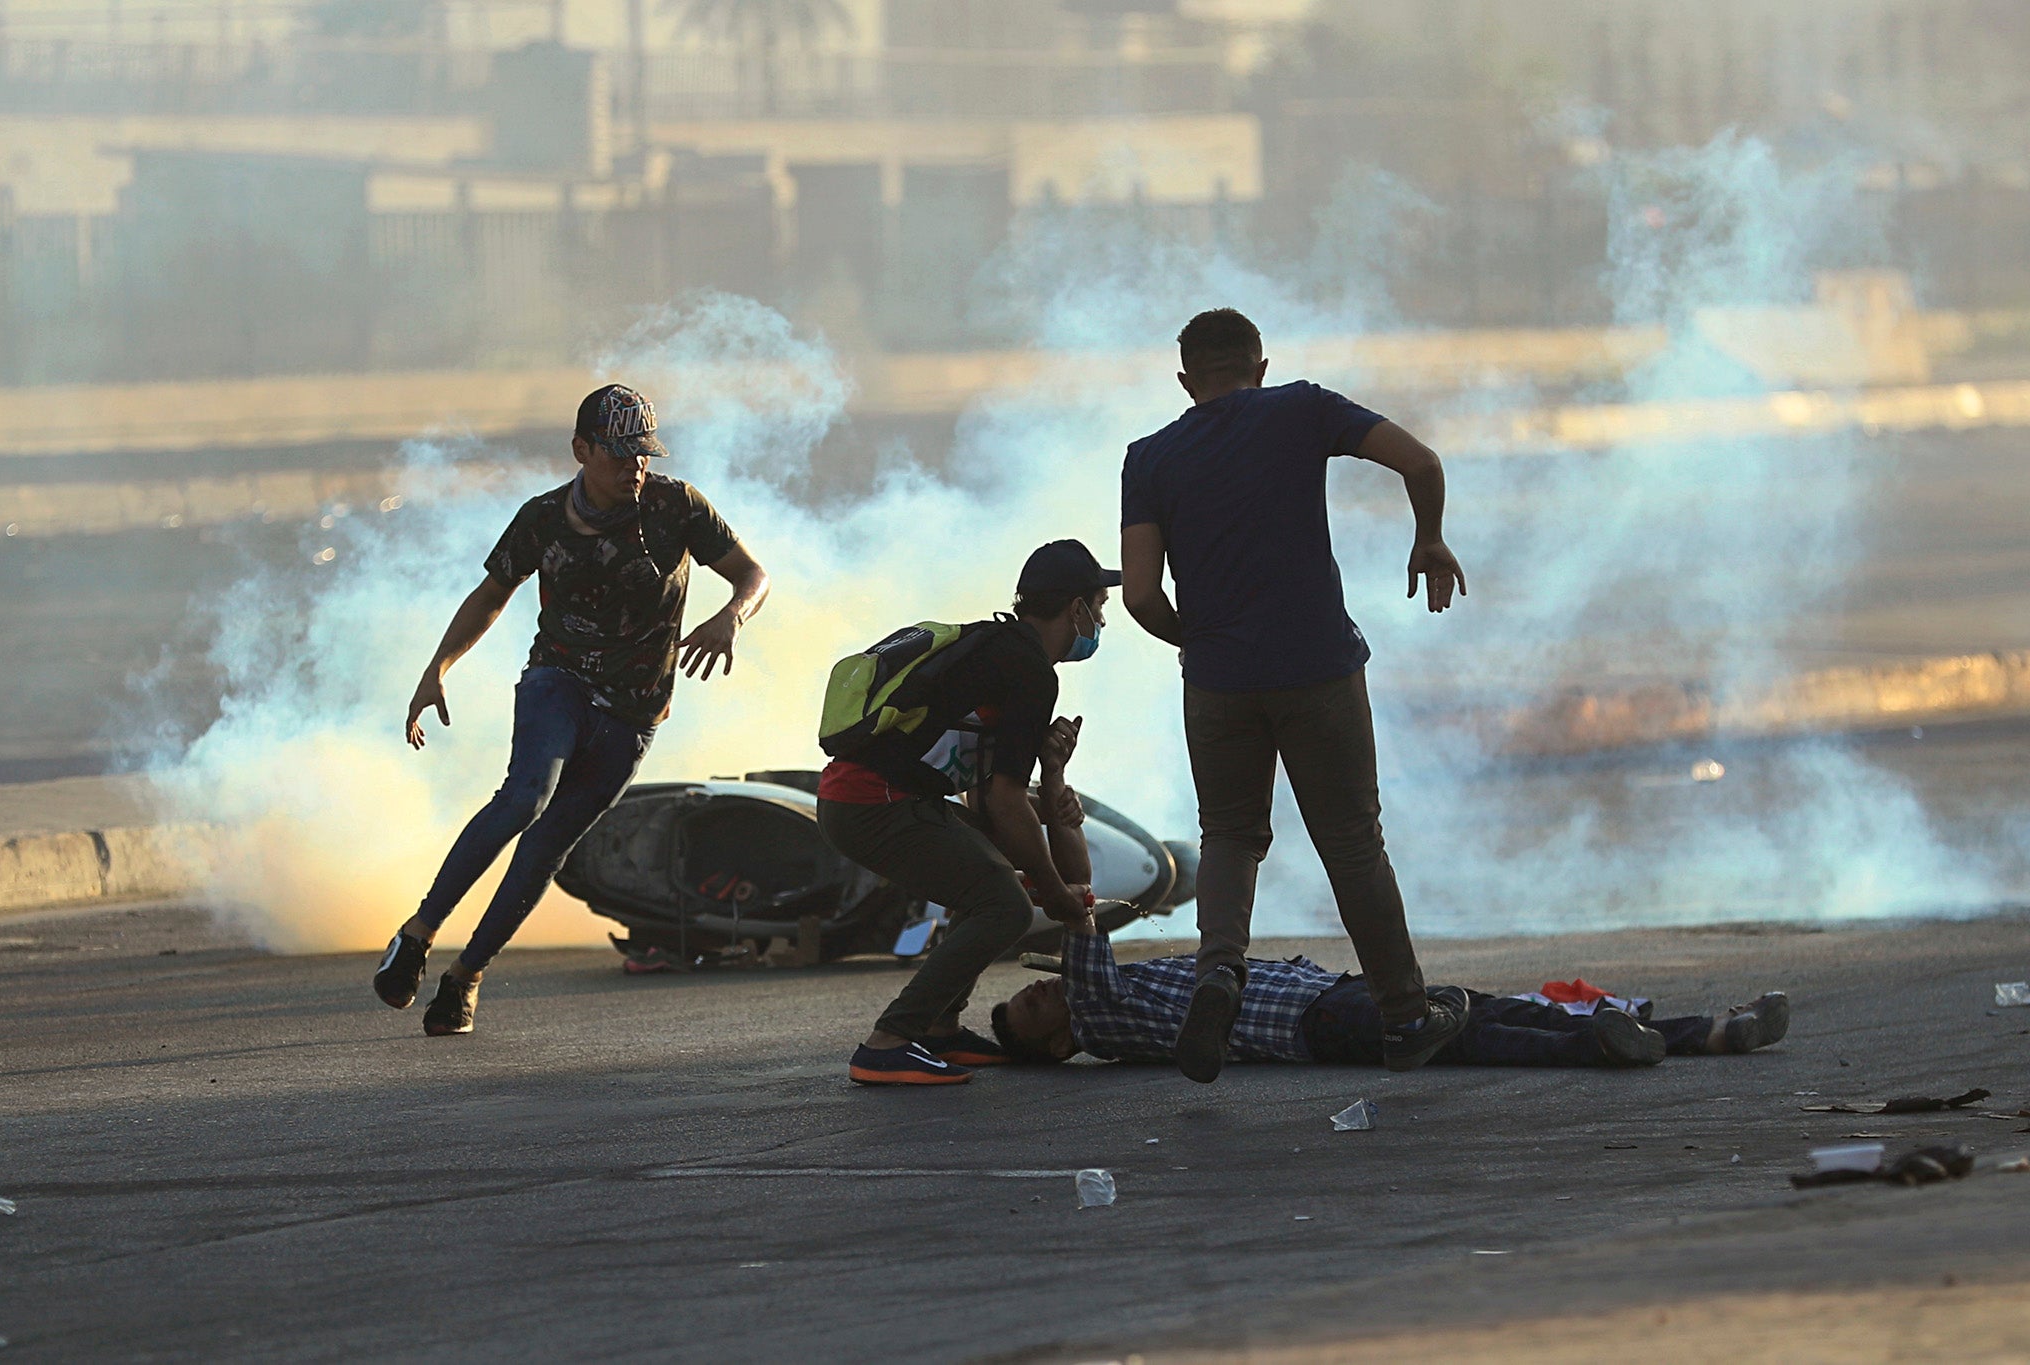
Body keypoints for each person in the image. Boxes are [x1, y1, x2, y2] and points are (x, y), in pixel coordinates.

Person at [1119, 307, 1469, 1083]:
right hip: (1318, 667)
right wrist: (1430, 537)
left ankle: (1218, 972)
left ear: (1185, 381)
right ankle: (1407, 1017)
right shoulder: (1302, 408)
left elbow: (1141, 594)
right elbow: (1422, 462)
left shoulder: (1149, 457)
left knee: (1231, 835)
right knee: (1350, 841)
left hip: (1217, 683)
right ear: (1260, 366)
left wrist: (1201, 642)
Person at [372, 383, 769, 1036]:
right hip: (560, 682)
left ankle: (466, 974)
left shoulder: (678, 505)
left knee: (546, 847)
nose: (633, 467)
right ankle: (418, 934)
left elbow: (753, 575)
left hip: (636, 711)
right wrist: (436, 669)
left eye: (641, 453)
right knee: (526, 798)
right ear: (581, 450)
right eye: (616, 454)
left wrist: (732, 615)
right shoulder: (544, 519)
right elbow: (491, 594)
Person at [819, 540, 1115, 1086]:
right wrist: (1052, 891)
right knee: (1005, 906)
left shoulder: (997, 648)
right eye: (1098, 605)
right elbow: (1003, 803)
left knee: (990, 872)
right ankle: (889, 1042)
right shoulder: (1030, 671)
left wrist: (1052, 787)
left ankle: (940, 1028)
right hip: (873, 802)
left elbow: (984, 800)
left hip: (861, 796)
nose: (1099, 620)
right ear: (1074, 608)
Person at [993, 928, 1792, 1069]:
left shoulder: (1110, 998)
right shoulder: (1098, 1012)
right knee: (1471, 1036)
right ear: (1061, 1043)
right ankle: (1603, 1045)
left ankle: (1710, 1032)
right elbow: (1078, 917)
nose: (1038, 989)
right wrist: (1055, 787)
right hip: (1312, 1021)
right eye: (1032, 1007)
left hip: (1325, 993)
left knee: (1490, 1008)